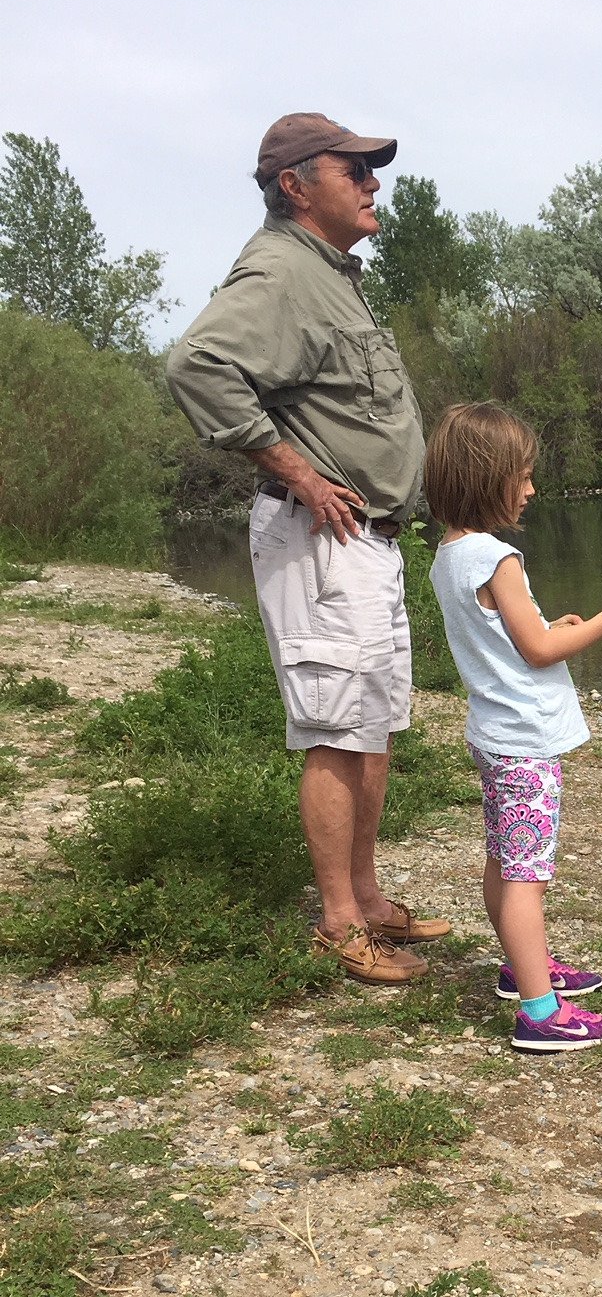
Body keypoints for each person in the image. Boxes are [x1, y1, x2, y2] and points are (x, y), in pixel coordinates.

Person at [166, 112, 450, 987]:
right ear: (295, 184)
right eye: (352, 168)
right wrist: (299, 472)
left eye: (372, 169)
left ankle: (365, 899)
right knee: (335, 728)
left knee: (373, 724)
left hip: (364, 541)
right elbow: (197, 364)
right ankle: (337, 923)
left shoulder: (330, 274)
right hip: (322, 538)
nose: (372, 182)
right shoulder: (282, 268)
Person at [424, 402, 602, 1051]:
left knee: (505, 859)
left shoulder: (449, 557)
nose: (530, 489)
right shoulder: (499, 559)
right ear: (486, 477)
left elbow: (509, 640)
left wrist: (560, 629)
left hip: (493, 735)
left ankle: (522, 969)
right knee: (528, 875)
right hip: (524, 744)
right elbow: (536, 652)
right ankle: (540, 1012)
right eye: (522, 476)